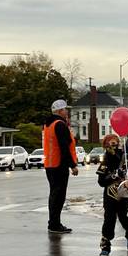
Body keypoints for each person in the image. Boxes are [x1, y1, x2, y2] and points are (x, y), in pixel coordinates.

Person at [43, 99, 79, 234]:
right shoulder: (59, 125)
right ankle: (55, 224)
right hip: (59, 165)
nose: (67, 112)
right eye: (65, 109)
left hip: (50, 164)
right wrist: (72, 165)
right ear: (59, 111)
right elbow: (64, 147)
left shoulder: (48, 124)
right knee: (58, 196)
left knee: (54, 195)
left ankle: (53, 222)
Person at [97, 134, 128, 256]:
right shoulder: (105, 162)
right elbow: (101, 182)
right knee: (109, 220)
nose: (113, 146)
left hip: (124, 195)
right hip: (110, 196)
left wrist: (125, 174)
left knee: (126, 218)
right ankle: (105, 246)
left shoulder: (125, 160)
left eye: (115, 143)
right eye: (109, 144)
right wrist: (113, 176)